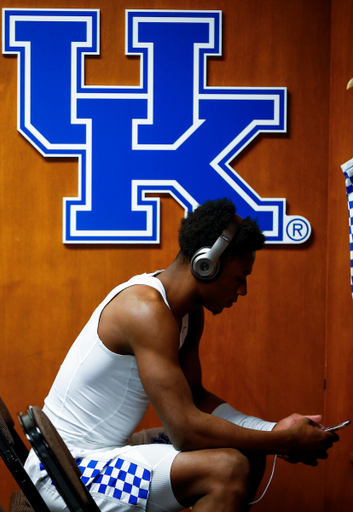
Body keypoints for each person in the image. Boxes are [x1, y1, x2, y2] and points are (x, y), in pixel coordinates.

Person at [25, 198, 338, 512]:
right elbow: (186, 431)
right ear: (207, 264)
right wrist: (284, 442)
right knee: (227, 470)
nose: (242, 291)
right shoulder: (145, 311)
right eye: (240, 277)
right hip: (65, 471)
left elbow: (195, 398)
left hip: (103, 454)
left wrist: (273, 430)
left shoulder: (186, 313)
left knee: (247, 450)